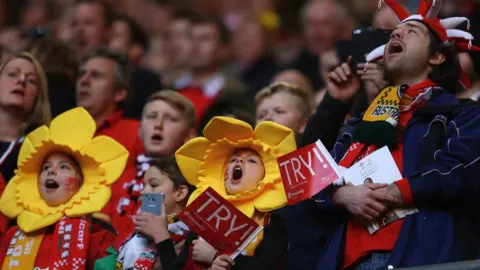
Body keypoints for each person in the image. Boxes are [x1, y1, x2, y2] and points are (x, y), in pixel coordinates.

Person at [314, 1, 480, 269]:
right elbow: (311, 178)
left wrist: (397, 191)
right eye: (393, 33)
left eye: (411, 31)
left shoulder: (461, 115)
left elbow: (461, 170)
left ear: (436, 57)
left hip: (420, 256)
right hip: (348, 260)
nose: (396, 34)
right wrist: (340, 196)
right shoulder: (359, 123)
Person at [0, 107, 129, 269]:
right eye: (45, 168)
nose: (51, 171)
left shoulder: (96, 236)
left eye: (64, 167)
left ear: (82, 184)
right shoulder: (12, 237)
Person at [174, 116, 296, 269]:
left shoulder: (272, 224)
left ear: (266, 176)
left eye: (251, 161)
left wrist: (215, 257)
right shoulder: (204, 218)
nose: (239, 162)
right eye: (232, 160)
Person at [110, 90, 196, 237]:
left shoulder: (194, 183)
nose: (158, 124)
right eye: (151, 116)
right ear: (140, 130)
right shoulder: (115, 174)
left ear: (189, 136)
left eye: (171, 119)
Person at [71, 0, 162, 120]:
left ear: (108, 31)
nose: (80, 30)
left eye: (89, 23)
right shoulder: (61, 76)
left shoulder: (141, 80)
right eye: (75, 24)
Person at [104, 157, 195, 270]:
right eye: (144, 185)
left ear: (180, 193)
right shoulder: (132, 237)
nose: (143, 192)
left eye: (154, 185)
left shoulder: (194, 239)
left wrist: (162, 239)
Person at [173, 16, 251, 125]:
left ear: (222, 49)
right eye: (190, 38)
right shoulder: (167, 87)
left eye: (205, 39)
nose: (195, 46)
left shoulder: (237, 94)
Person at [0, 52, 50, 182]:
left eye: (31, 80)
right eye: (12, 74)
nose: (21, 80)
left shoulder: (38, 154)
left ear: (37, 99)